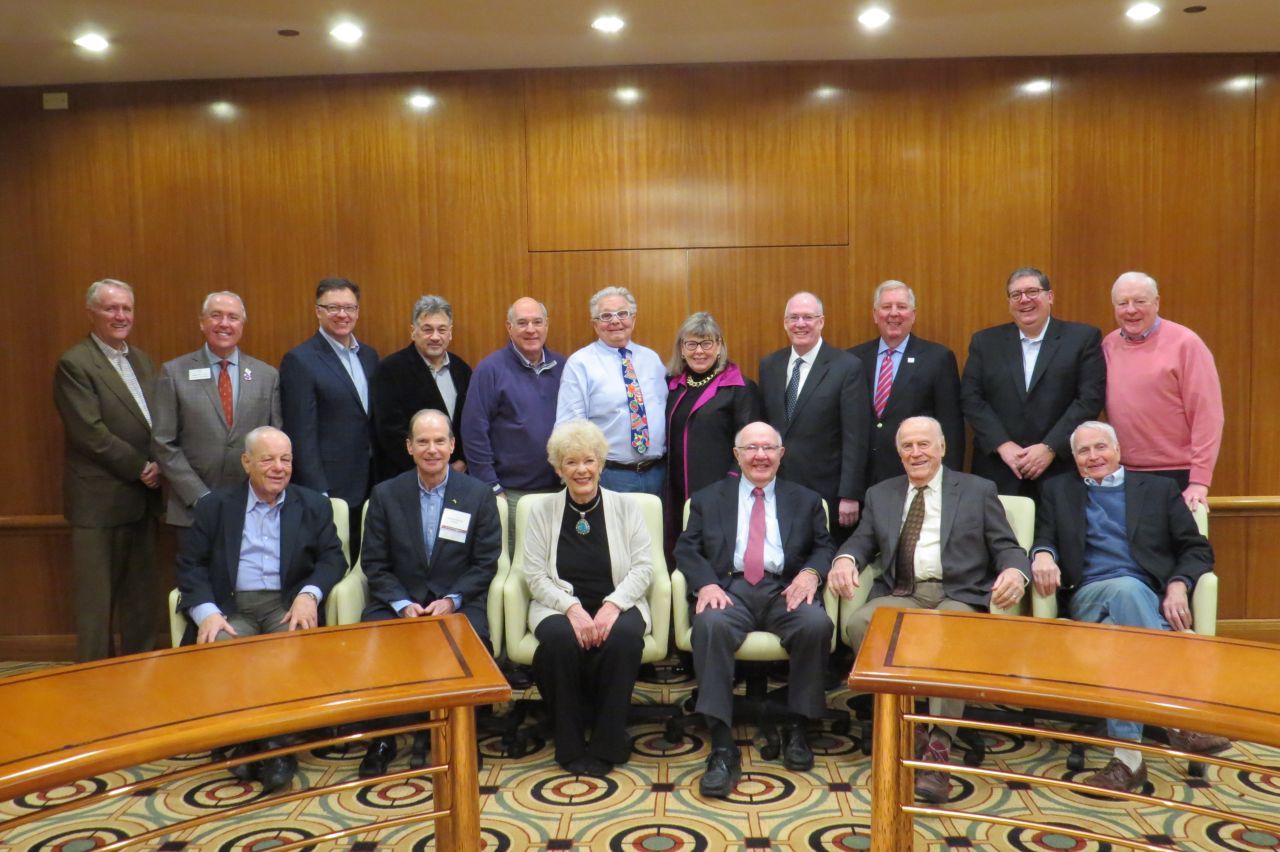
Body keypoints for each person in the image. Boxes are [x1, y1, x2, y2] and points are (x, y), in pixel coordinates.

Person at [829, 416, 1029, 804]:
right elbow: (861, 541)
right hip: (905, 591)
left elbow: (1006, 546)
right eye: (907, 446)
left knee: (949, 636)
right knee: (860, 622)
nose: (916, 452)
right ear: (898, 452)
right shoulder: (881, 494)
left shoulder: (977, 490)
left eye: (924, 444)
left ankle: (938, 746)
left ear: (942, 448)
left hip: (958, 592)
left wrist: (1015, 572)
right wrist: (844, 560)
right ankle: (904, 725)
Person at [1030, 420, 1227, 792]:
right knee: (1125, 589)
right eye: (1083, 451)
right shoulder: (1058, 490)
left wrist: (1178, 584)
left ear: (1118, 450)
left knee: (1119, 638)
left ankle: (1128, 760)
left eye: (1100, 447)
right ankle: (1175, 717)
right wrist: (1042, 554)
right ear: (1074, 458)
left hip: (1145, 599)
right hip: (1089, 594)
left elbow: (1196, 549)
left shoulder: (1158, 490)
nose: (1093, 456)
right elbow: (1045, 536)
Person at [175, 425, 347, 792]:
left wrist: (309, 595)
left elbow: (333, 559)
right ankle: (267, 745)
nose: (279, 468)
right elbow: (191, 565)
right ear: (246, 462)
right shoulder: (216, 506)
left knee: (288, 648)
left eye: (286, 459)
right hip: (230, 606)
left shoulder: (313, 505)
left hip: (285, 604)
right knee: (221, 646)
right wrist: (206, 611)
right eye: (268, 459)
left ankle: (262, 747)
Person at [675, 422, 835, 798]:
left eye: (768, 448)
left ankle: (798, 726)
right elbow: (686, 549)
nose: (760, 456)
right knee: (710, 625)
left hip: (784, 590)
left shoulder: (807, 499)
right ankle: (721, 744)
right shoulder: (707, 499)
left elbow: (825, 546)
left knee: (815, 624)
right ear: (737, 455)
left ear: (781, 454)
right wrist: (707, 584)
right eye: (751, 448)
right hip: (729, 590)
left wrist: (811, 574)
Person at [356, 409, 503, 777]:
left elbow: (486, 562)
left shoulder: (478, 495)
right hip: (399, 600)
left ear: (452, 445)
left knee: (473, 640)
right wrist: (402, 603)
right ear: (409, 447)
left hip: (457, 599)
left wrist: (452, 599)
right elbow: (374, 563)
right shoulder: (385, 495)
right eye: (423, 441)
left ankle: (462, 737)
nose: (432, 449)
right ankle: (383, 738)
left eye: (439, 441)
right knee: (374, 639)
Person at [523, 420, 653, 777]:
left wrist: (613, 605)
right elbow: (535, 576)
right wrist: (572, 608)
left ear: (601, 463)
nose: (581, 470)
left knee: (624, 638)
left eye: (589, 460)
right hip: (558, 605)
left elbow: (643, 568)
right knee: (559, 641)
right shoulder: (541, 511)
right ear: (558, 468)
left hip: (619, 602)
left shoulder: (626, 508)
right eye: (571, 462)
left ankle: (607, 743)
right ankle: (569, 744)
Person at [53, 278, 162, 662]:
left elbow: (154, 421)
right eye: (111, 308)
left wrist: (160, 462)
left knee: (141, 600)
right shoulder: (75, 363)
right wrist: (141, 467)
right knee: (96, 606)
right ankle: (94, 681)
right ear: (91, 313)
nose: (120, 316)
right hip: (98, 503)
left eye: (126, 308)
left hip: (142, 500)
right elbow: (90, 433)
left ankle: (141, 671)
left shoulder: (141, 360)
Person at [961, 267, 1106, 501]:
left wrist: (1050, 447)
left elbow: (1089, 399)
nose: (1024, 299)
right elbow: (971, 398)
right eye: (1016, 294)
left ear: (1050, 296)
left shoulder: (1082, 339)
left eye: (1032, 291)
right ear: (1009, 302)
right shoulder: (985, 342)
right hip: (999, 469)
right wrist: (1003, 445)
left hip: (1059, 469)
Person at [152, 291, 281, 530]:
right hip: (192, 509)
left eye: (233, 317)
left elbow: (275, 442)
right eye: (216, 315)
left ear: (242, 325)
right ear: (202, 322)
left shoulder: (267, 376)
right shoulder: (174, 372)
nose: (224, 323)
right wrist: (199, 496)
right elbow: (163, 441)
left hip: (252, 506)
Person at [1102, 271, 1223, 513]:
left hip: (1177, 474)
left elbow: (1208, 416)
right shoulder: (1108, 344)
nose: (1131, 310)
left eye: (1140, 301)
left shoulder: (1186, 343)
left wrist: (1199, 481)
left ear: (1156, 302)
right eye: (1123, 303)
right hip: (1123, 473)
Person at [759, 292, 868, 542]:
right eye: (794, 317)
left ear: (821, 321)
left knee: (823, 556)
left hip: (827, 491)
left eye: (808, 317)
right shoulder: (769, 365)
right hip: (776, 486)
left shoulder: (847, 367)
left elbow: (856, 436)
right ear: (785, 323)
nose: (800, 324)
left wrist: (850, 493)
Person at [279, 277, 379, 544]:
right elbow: (300, 431)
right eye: (333, 307)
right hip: (330, 485)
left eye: (349, 307)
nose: (342, 314)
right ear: (318, 311)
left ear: (357, 311)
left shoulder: (369, 356)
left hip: (370, 480)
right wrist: (317, 490)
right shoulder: (300, 360)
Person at [461, 297, 565, 553]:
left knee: (555, 562)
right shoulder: (490, 370)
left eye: (537, 322)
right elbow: (474, 433)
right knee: (517, 564)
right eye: (522, 323)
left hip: (560, 491)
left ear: (547, 325)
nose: (531, 329)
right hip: (511, 494)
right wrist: (492, 487)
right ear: (509, 327)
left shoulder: (564, 367)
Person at [556, 286, 668, 496]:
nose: (615, 321)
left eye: (622, 314)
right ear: (595, 324)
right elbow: (570, 426)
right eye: (606, 316)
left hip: (659, 473)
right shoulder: (580, 363)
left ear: (633, 319)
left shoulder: (652, 359)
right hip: (610, 475)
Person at [848, 281, 963, 486]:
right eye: (886, 307)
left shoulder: (938, 358)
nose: (894, 313)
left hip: (916, 474)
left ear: (913, 314)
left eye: (901, 307)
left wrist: (948, 483)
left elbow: (951, 428)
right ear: (875, 314)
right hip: (863, 478)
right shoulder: (854, 359)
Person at [664, 312, 761, 552]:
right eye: (691, 344)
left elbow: (751, 445)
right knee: (680, 553)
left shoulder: (739, 388)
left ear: (719, 346)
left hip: (719, 490)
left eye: (706, 343)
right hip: (675, 492)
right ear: (682, 349)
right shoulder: (673, 385)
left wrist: (731, 483)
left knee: (715, 553)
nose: (699, 351)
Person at [370, 295, 471, 483]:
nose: (435, 337)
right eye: (427, 329)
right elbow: (390, 431)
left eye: (442, 329)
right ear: (413, 332)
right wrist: (431, 469)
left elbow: (470, 422)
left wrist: (462, 461)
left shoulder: (462, 369)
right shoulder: (390, 370)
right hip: (405, 478)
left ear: (450, 333)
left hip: (457, 476)